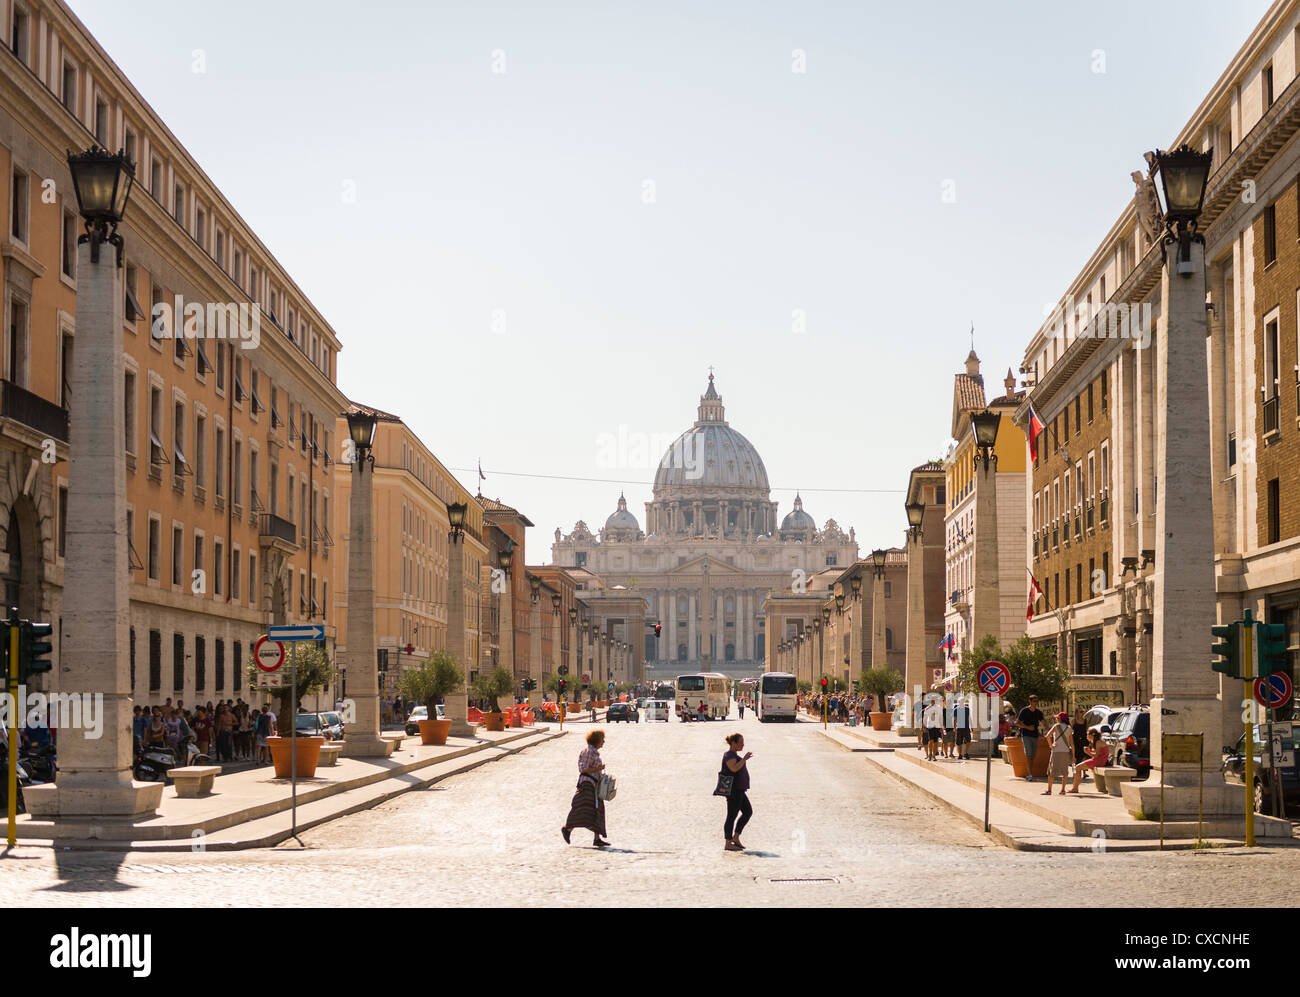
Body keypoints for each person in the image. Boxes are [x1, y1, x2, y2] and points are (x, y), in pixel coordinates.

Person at [562, 729, 610, 847]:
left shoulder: (594, 752)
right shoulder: (588, 752)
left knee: (598, 810)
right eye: (602, 740)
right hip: (587, 784)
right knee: (582, 807)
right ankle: (567, 828)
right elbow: (583, 769)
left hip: (595, 785)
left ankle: (597, 838)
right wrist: (598, 768)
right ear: (597, 740)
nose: (604, 742)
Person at [721, 732, 753, 851]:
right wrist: (744, 759)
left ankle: (736, 837)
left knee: (748, 812)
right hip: (734, 791)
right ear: (733, 743)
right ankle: (728, 842)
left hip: (740, 790)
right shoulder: (729, 755)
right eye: (740, 743)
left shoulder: (733, 754)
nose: (743, 745)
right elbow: (733, 768)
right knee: (731, 816)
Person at [1068, 727, 1110, 793]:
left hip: (1099, 761)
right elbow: (1098, 754)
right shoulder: (1096, 741)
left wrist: (1087, 752)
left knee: (1077, 768)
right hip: (1098, 760)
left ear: (1092, 735)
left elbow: (1096, 756)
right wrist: (1089, 751)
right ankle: (1075, 787)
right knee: (1076, 767)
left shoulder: (1098, 742)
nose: (1086, 736)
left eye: (1087, 734)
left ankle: (1075, 788)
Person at [1043, 711, 1073, 796]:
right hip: (1065, 751)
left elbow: (1047, 736)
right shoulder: (1069, 728)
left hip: (1056, 751)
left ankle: (1049, 790)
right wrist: (1073, 755)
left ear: (1060, 719)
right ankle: (1063, 790)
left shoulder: (1056, 726)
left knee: (1052, 771)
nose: (1056, 719)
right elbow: (1072, 743)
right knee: (1065, 772)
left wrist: (1051, 745)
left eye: (1057, 718)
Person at [1018, 695, 1045, 781]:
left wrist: (1049, 730)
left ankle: (1030, 772)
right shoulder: (1024, 711)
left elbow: (1044, 722)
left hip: (1035, 735)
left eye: (1037, 701)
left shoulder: (1038, 712)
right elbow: (1017, 722)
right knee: (1028, 754)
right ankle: (1029, 774)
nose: (1036, 703)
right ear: (1030, 701)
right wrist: (1027, 727)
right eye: (1034, 701)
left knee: (1033, 755)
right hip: (1026, 735)